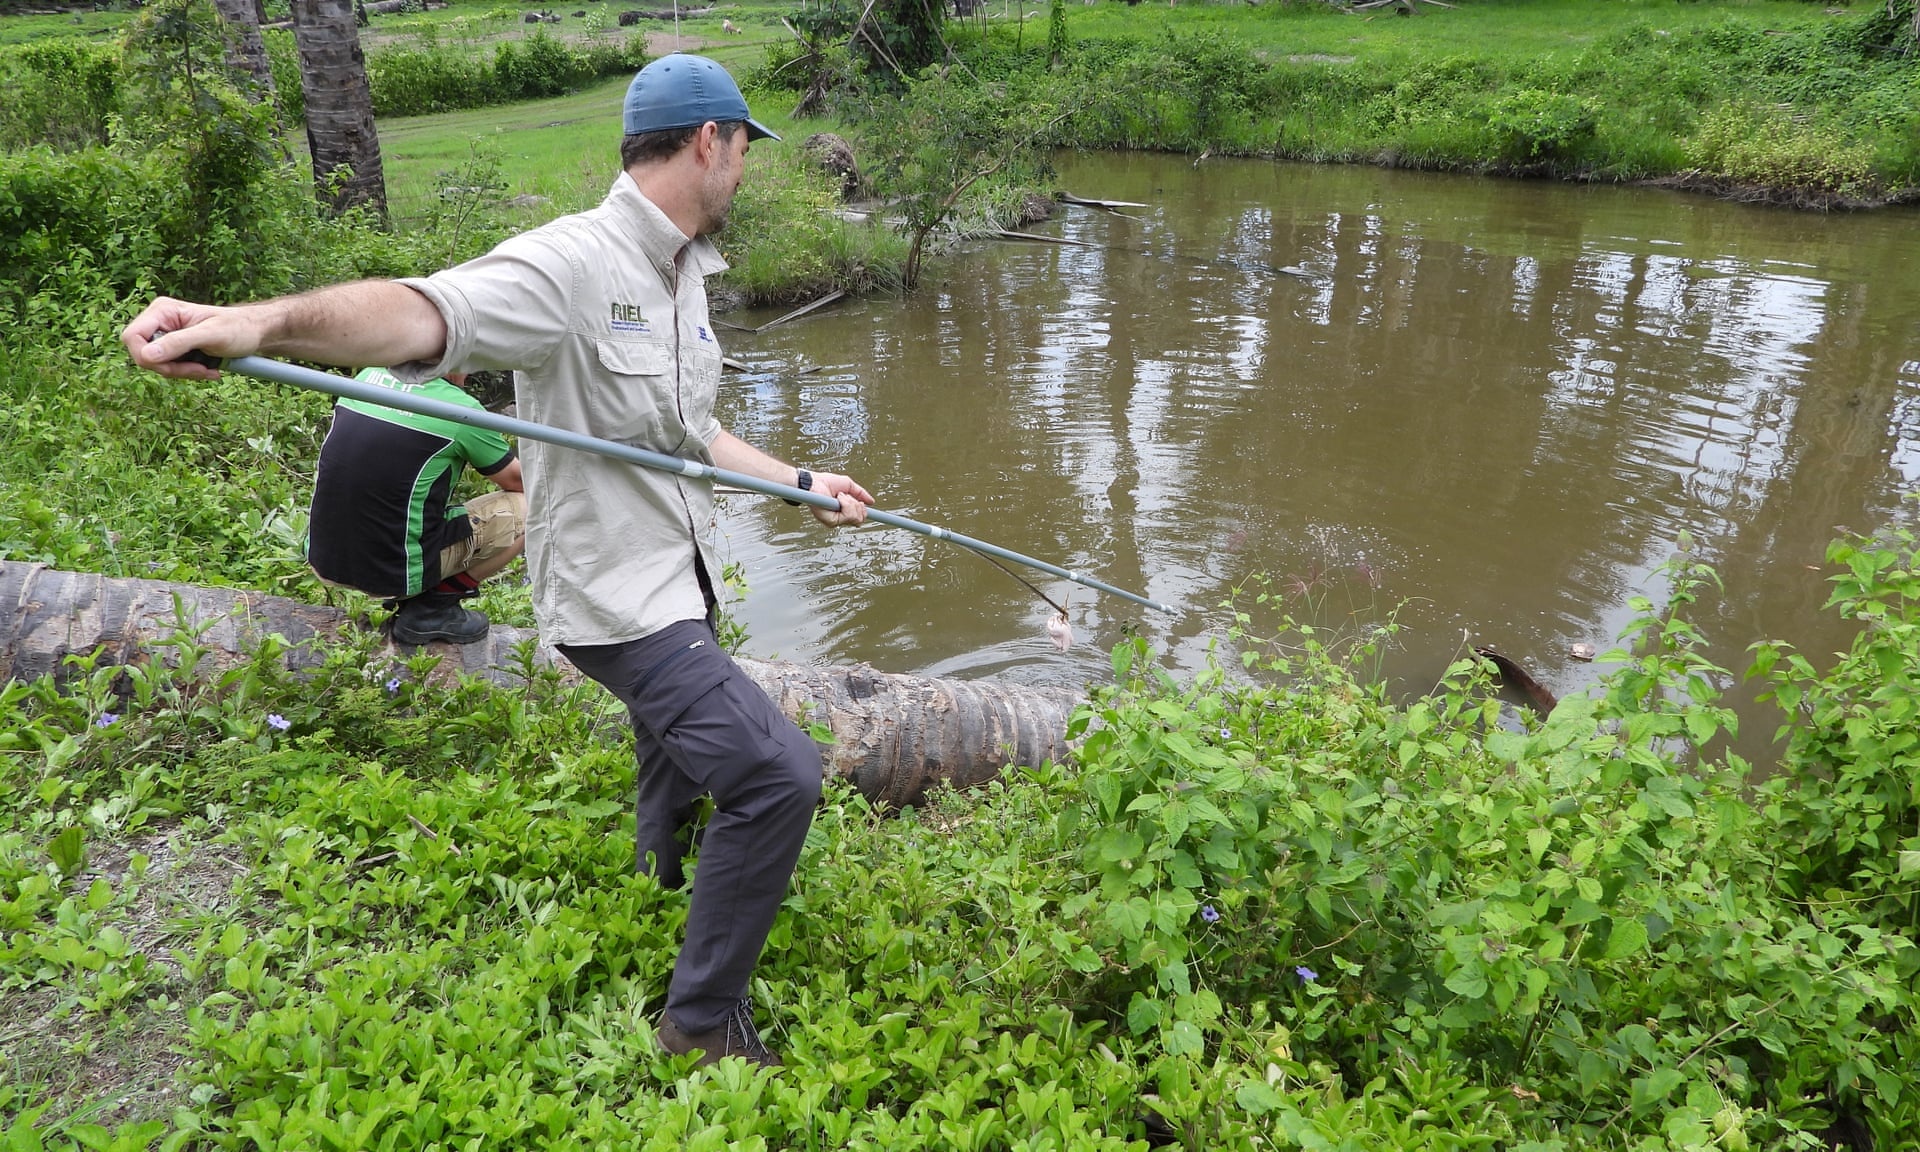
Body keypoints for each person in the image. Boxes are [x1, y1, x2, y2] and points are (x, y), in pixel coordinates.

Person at [122, 53, 873, 1068]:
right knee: (778, 775)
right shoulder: (575, 263)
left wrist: (799, 480)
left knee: (679, 740)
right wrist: (262, 322)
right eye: (742, 150)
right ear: (710, 143)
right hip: (616, 598)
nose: (743, 170)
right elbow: (427, 310)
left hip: (674, 568)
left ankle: (657, 878)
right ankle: (699, 1026)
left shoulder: (686, 272)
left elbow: (690, 433)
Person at [309, 366, 525, 646]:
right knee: (530, 506)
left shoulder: (366, 377)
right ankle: (433, 608)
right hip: (394, 573)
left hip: (324, 557)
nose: (470, 373)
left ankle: (421, 592)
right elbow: (518, 482)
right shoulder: (462, 410)